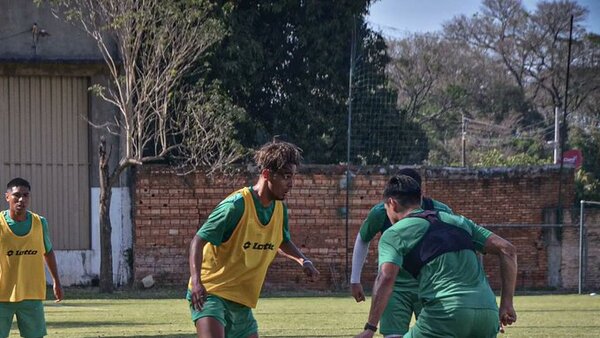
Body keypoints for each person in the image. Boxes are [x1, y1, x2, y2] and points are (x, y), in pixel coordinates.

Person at [355, 175, 517, 338]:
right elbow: (507, 250)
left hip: (446, 314)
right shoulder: (460, 221)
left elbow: (386, 278)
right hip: (488, 313)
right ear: (419, 198)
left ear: (392, 203)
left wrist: (370, 327)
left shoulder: (394, 233)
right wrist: (507, 304)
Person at [187, 140, 319, 338]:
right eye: (286, 177)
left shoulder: (280, 209)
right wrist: (197, 282)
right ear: (266, 174)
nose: (291, 184)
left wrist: (303, 260)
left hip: (241, 303)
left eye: (293, 177)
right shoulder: (235, 206)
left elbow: (281, 240)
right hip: (211, 293)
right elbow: (198, 241)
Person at [351, 168, 453, 337]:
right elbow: (363, 238)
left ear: (420, 195)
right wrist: (355, 279)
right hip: (395, 288)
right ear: (393, 201)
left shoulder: (440, 212)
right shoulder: (381, 212)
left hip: (429, 286)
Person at [0, 177, 63, 338]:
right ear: (7, 197)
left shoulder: (39, 223)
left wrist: (56, 281)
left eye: (26, 195)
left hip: (31, 294)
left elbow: (47, 252)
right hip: (1, 295)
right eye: (16, 195)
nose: (21, 199)